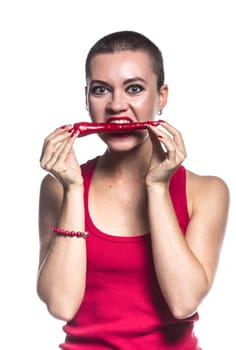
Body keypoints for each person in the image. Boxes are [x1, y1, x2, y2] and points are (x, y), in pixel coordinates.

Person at [37, 30, 229, 349]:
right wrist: (73, 189)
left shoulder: (207, 191)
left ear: (162, 96)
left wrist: (156, 187)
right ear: (87, 99)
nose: (116, 106)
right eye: (101, 90)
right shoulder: (58, 187)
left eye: (135, 89)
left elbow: (183, 302)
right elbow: (61, 305)